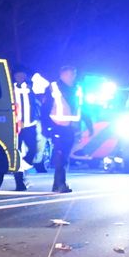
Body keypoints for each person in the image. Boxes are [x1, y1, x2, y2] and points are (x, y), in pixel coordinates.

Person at [47, 65, 82, 193]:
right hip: (58, 126)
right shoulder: (55, 88)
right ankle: (61, 184)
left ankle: (57, 184)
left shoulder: (76, 88)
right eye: (71, 74)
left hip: (70, 127)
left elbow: (80, 108)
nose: (73, 77)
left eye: (74, 74)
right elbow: (45, 107)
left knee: (65, 157)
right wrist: (47, 128)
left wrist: (85, 125)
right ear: (63, 75)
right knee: (61, 156)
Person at [11, 67, 42, 191]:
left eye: (22, 75)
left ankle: (24, 165)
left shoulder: (31, 88)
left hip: (30, 125)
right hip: (16, 127)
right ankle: (20, 182)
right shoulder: (11, 89)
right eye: (18, 75)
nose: (20, 77)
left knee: (33, 149)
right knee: (17, 153)